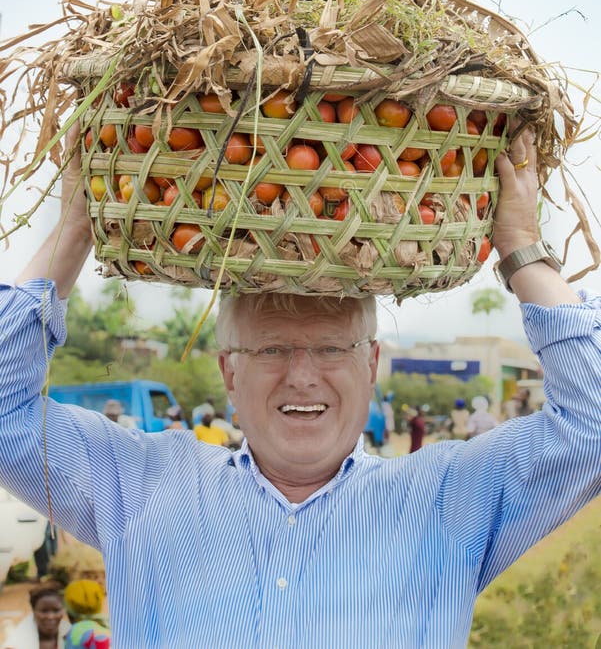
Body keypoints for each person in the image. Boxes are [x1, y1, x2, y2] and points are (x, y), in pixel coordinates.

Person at [1, 127, 600, 647]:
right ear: (229, 371)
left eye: (332, 348)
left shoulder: (449, 499)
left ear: (371, 364)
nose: (303, 374)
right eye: (272, 349)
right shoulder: (139, 484)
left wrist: (523, 251)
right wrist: (73, 233)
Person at [1, 583, 70, 649]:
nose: (50, 616)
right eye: (44, 611)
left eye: (56, 610)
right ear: (33, 611)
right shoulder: (16, 644)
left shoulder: (73, 637)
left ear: (63, 610)